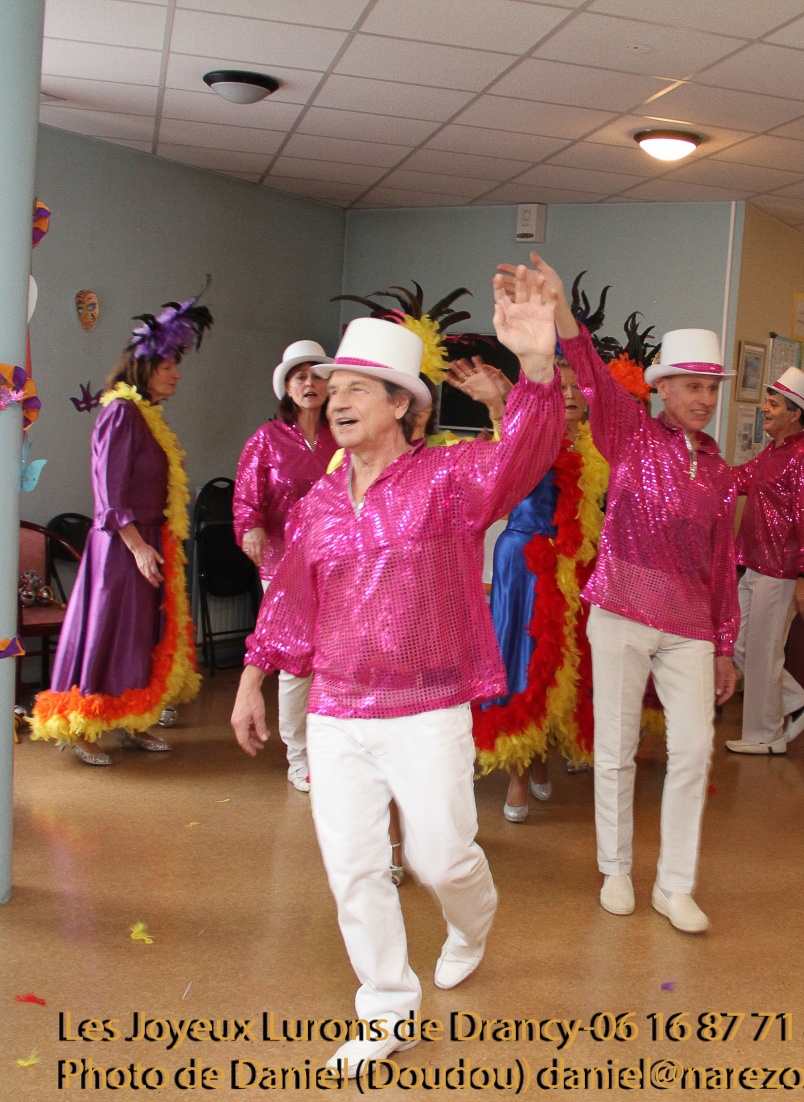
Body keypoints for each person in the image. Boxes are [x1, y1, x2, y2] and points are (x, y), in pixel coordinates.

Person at [232, 273, 563, 1079]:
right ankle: (386, 1008)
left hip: (425, 706)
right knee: (354, 869)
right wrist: (250, 679)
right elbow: (290, 599)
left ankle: (471, 921)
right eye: (333, 388)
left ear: (401, 404)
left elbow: (522, 456)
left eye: (357, 388)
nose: (336, 400)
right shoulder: (316, 504)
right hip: (337, 710)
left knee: (440, 859)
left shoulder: (448, 480)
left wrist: (535, 367)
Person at [531, 254, 740, 935]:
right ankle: (615, 868)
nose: (703, 399)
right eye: (691, 386)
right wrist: (561, 312)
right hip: (620, 611)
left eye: (711, 389)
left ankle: (674, 886)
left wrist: (725, 646)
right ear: (662, 388)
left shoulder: (719, 473)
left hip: (690, 627)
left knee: (694, 752)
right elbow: (589, 371)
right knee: (616, 748)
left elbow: (722, 563)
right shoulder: (630, 434)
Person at [30, 297, 210, 763]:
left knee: (139, 634)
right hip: (122, 544)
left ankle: (131, 717)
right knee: (108, 631)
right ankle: (82, 724)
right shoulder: (121, 412)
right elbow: (109, 493)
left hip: (147, 538)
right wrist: (138, 547)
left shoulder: (146, 415)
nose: (177, 375)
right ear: (144, 367)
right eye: (169, 366)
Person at [475, 357, 606, 821]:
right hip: (524, 562)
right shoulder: (528, 436)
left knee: (564, 663)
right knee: (523, 661)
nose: (568, 395)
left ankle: (544, 753)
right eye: (559, 387)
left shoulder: (600, 447)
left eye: (576, 387)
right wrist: (499, 408)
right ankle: (517, 770)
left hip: (577, 565)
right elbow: (503, 460)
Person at [234, 340, 337, 792]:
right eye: (300, 376)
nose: (310, 383)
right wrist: (251, 528)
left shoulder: (343, 433)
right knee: (296, 661)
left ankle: (332, 750)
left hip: (337, 561)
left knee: (333, 657)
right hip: (283, 563)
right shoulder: (266, 439)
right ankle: (299, 756)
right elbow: (246, 499)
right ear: (287, 388)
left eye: (317, 375)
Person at [726, 367, 804, 755]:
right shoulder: (777, 450)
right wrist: (696, 473)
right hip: (756, 565)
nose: (764, 409)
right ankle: (796, 704)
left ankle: (766, 735)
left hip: (782, 571)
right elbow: (741, 479)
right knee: (739, 644)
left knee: (764, 652)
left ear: (795, 413)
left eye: (773, 404)